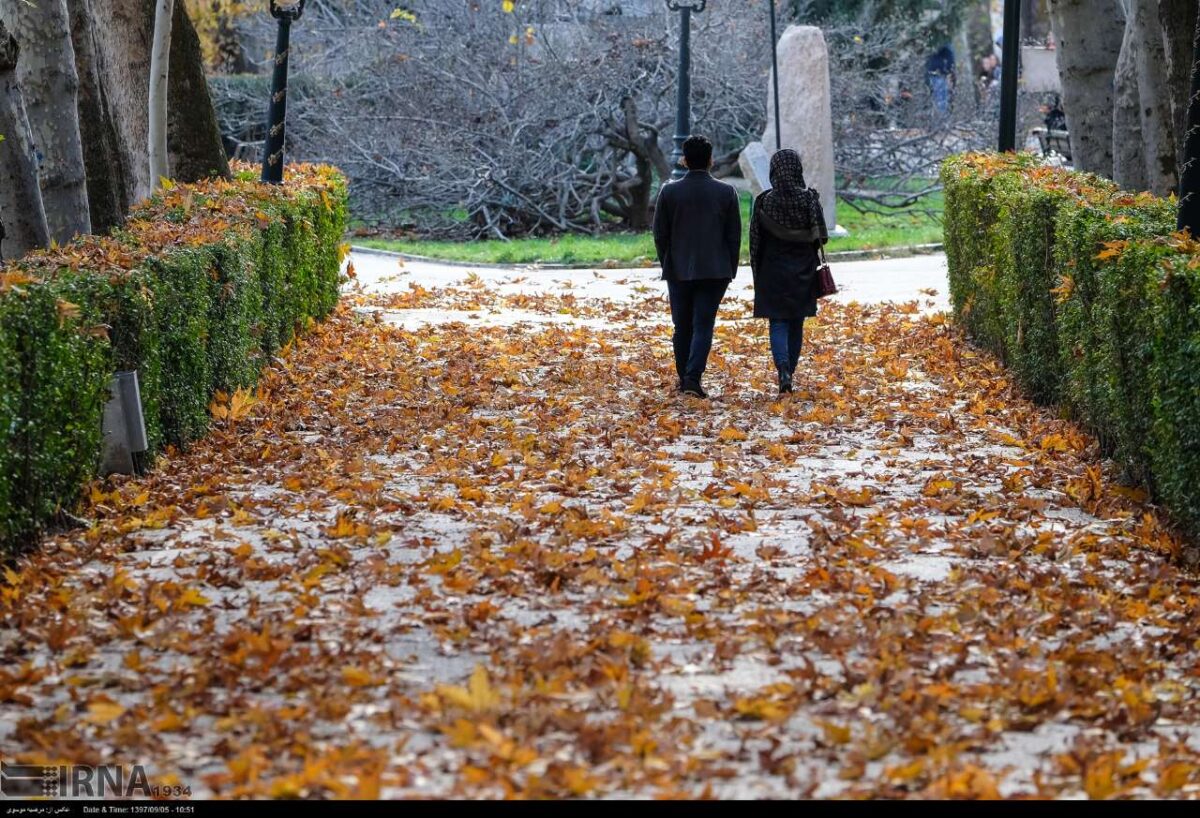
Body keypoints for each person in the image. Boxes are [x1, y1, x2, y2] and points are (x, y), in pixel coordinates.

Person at [652, 134, 742, 399]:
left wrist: (667, 261)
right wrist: (730, 268)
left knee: (682, 326)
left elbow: (660, 234)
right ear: (711, 160)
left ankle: (684, 377)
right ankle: (693, 376)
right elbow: (734, 236)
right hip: (715, 269)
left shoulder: (669, 192)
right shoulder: (726, 192)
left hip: (678, 268)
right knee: (703, 324)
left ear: (684, 159)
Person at [748, 149, 828, 395]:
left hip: (772, 270)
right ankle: (790, 372)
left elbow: (755, 241)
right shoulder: (809, 199)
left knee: (778, 322)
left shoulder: (764, 201)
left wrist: (756, 271)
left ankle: (782, 369)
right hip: (803, 270)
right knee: (796, 322)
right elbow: (821, 237)